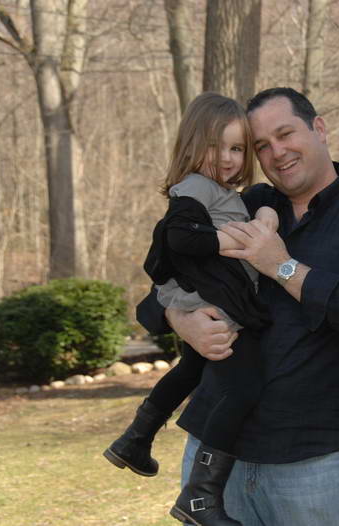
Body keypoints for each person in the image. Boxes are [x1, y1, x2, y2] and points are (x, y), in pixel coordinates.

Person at [136, 87, 339, 526]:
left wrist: (281, 266)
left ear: (319, 128)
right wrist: (180, 319)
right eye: (262, 145)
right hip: (214, 469)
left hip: (315, 468)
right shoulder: (237, 208)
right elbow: (156, 294)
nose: (277, 152)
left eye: (285, 134)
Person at [104, 92, 281, 526]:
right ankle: (200, 496)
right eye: (215, 146)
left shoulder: (220, 191)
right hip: (211, 307)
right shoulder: (196, 189)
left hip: (210, 301)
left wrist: (265, 215)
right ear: (191, 144)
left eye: (236, 148)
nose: (227, 158)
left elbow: (260, 202)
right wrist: (226, 241)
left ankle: (135, 439)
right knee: (244, 388)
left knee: (189, 371)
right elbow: (178, 237)